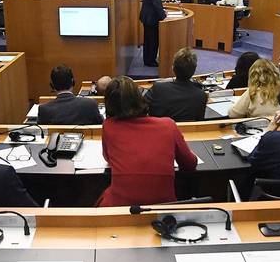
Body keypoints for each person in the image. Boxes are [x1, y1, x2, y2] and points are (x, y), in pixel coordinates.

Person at [98, 77, 198, 207]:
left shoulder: (108, 126)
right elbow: (190, 164)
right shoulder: (168, 125)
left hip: (122, 207)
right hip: (164, 208)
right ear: (139, 97)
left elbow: (108, 158)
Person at [145, 48, 208, 121]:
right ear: (194, 70)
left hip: (159, 131)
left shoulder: (158, 88)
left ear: (173, 68)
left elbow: (139, 108)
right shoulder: (201, 96)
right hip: (186, 132)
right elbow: (198, 122)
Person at [39, 64, 103, 126]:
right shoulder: (90, 104)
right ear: (73, 82)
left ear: (52, 85)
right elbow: (100, 125)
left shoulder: (44, 110)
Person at [139, 0, 165, 68]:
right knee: (152, 41)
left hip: (147, 18)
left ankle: (148, 59)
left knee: (148, 40)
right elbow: (156, 5)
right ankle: (151, 61)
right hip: (151, 19)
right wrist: (164, 17)